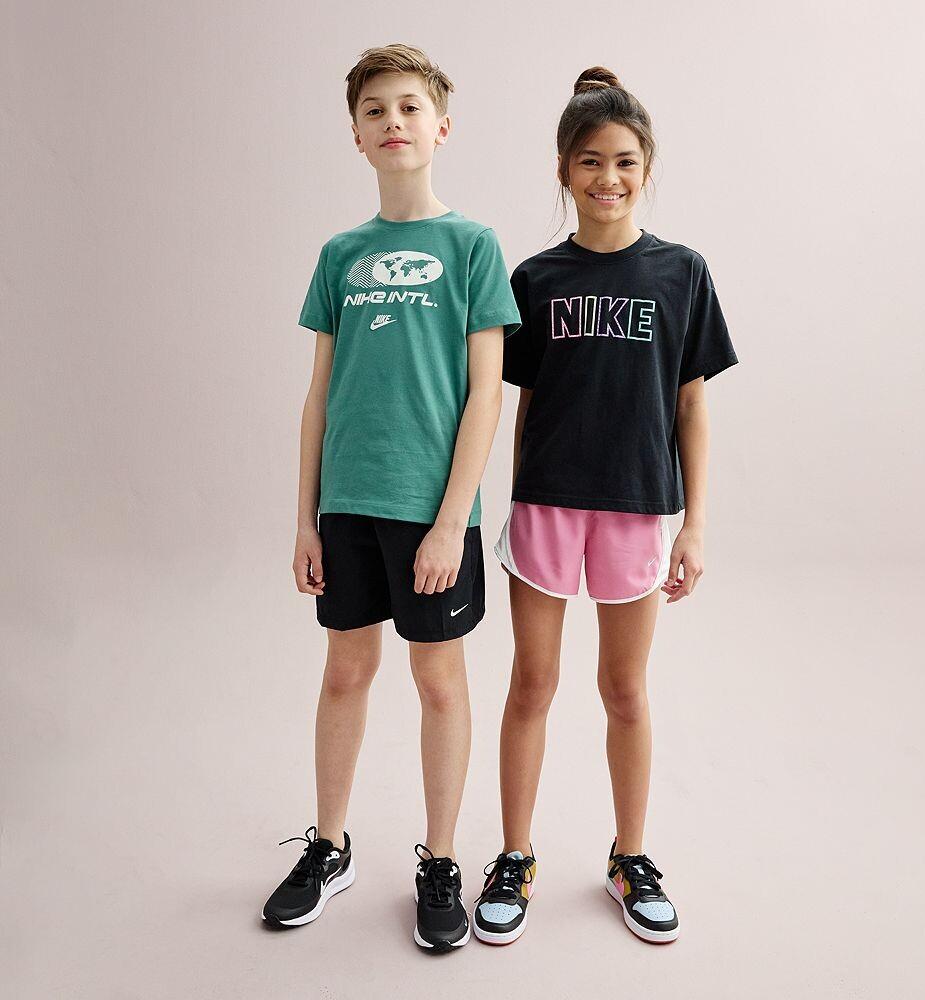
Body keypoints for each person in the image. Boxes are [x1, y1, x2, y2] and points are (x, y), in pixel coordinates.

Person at [261, 43, 521, 953]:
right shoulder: (341, 254)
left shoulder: (473, 246)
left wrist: (451, 521)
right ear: (357, 136)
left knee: (438, 681)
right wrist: (305, 518)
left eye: (409, 107)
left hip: (430, 511)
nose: (393, 122)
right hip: (348, 504)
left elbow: (486, 394)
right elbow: (318, 394)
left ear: (440, 127)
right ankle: (329, 847)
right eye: (375, 110)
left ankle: (441, 860)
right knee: (345, 672)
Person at [473, 67, 739, 946]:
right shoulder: (534, 278)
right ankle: (515, 856)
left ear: (647, 167)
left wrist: (696, 523)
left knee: (624, 690)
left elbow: (692, 404)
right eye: (590, 161)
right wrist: (516, 502)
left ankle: (631, 857)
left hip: (637, 506)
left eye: (624, 161)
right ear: (563, 170)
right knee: (532, 684)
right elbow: (520, 405)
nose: (608, 177)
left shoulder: (682, 273)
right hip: (548, 507)